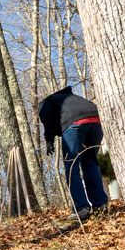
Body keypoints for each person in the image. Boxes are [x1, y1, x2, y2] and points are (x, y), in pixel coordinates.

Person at [38, 86, 109, 222]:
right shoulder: (73, 99)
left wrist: (49, 140)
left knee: (72, 167)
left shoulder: (46, 102)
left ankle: (81, 208)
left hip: (75, 124)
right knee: (90, 163)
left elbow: (48, 120)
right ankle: (100, 204)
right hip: (96, 121)